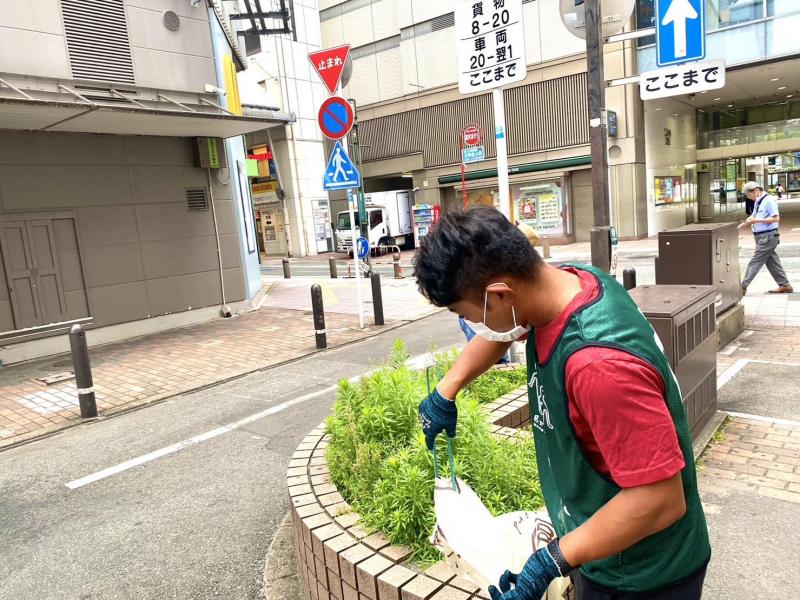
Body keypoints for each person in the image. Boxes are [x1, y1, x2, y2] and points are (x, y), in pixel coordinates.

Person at [416, 207, 710, 600]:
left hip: (643, 573)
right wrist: (445, 390)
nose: (475, 326)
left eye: (468, 315)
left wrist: (551, 560)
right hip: (605, 547)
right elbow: (503, 330)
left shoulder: (598, 365)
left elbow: (660, 500)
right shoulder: (568, 283)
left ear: (500, 295)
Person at [740, 181, 793, 295]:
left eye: (749, 195)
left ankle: (742, 287)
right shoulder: (758, 201)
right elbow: (754, 215)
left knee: (755, 261)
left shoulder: (769, 200)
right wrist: (742, 224)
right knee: (772, 261)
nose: (748, 197)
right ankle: (785, 285)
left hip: (768, 236)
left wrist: (756, 220)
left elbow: (776, 218)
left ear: (756, 191)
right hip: (761, 236)